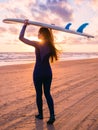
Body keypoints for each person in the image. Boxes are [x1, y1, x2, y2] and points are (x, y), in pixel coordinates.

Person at [19, 20, 58, 124]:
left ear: (42, 34)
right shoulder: (51, 45)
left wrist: (24, 26)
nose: (37, 34)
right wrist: (50, 29)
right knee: (47, 93)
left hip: (38, 73)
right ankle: (52, 115)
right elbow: (51, 38)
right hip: (48, 73)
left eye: (39, 33)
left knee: (39, 94)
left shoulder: (37, 44)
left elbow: (21, 38)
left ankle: (41, 115)